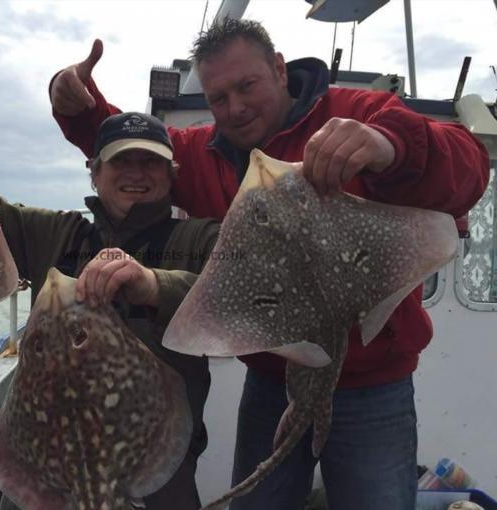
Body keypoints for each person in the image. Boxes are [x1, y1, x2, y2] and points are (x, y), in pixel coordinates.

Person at [48, 17, 490, 510]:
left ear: (279, 70)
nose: (234, 108)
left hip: (374, 383)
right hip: (270, 379)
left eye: (247, 85)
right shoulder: (200, 151)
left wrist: (390, 146)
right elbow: (136, 160)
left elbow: (468, 164)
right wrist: (81, 113)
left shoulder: (357, 112)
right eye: (218, 98)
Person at [0, 112, 219, 509]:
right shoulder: (55, 232)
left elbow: (228, 297)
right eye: (120, 161)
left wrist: (153, 284)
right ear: (94, 172)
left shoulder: (199, 237)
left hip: (155, 456)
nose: (136, 173)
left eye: (150, 162)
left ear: (171, 172)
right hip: (45, 458)